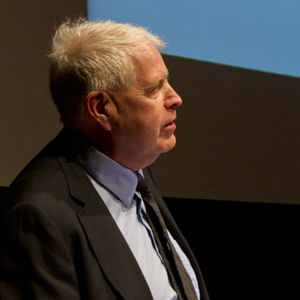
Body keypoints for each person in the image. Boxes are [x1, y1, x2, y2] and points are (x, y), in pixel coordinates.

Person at [0, 18, 209, 300]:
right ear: (101, 109)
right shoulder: (38, 217)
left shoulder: (131, 169)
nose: (175, 98)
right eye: (153, 89)